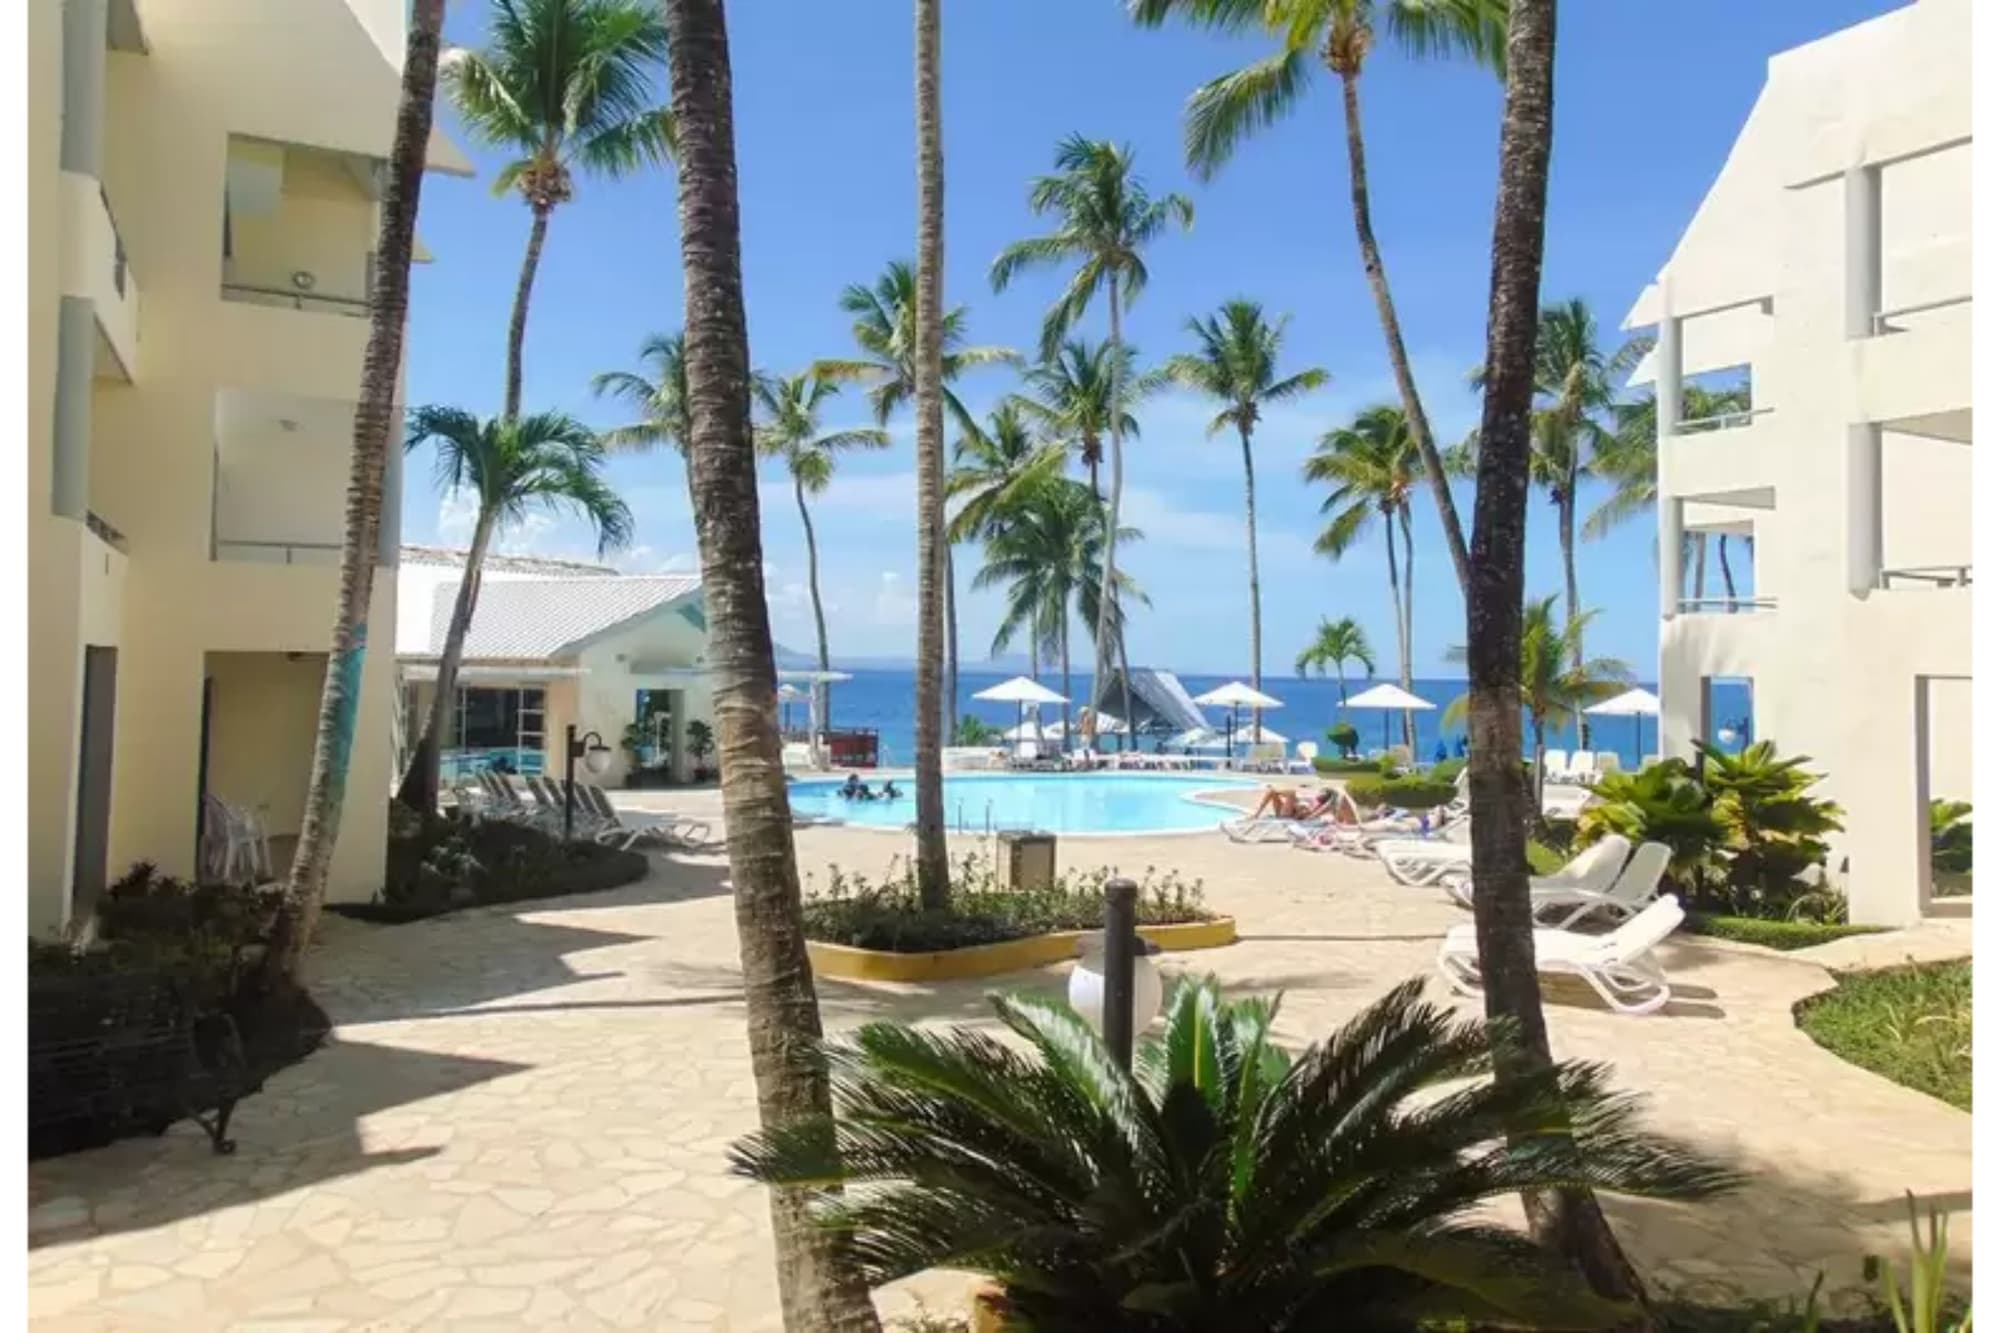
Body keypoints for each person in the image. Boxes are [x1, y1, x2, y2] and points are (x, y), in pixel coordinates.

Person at [1247, 785, 1334, 821]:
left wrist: (1299, 806)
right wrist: (1297, 801)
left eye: (1323, 793)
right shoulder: (1313, 798)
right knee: (1271, 791)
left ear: (1326, 797)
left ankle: (1277, 792)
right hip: (1288, 810)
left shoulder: (1320, 806)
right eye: (1321, 791)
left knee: (1292, 792)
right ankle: (1256, 814)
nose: (1320, 793)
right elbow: (1300, 800)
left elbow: (1307, 813)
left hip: (1292, 815)